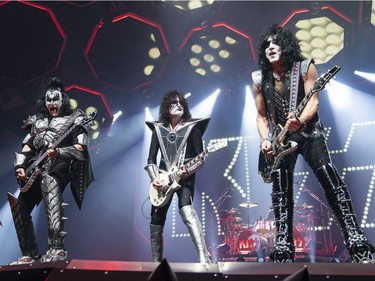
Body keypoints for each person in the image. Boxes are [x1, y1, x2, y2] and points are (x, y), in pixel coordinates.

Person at [252, 24, 375, 263]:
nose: (271, 48)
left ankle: (356, 241)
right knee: (281, 190)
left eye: (275, 43)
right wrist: (265, 140)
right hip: (281, 138)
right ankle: (284, 246)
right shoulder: (259, 79)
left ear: (285, 46)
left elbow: (313, 101)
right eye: (266, 45)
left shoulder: (304, 67)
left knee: (330, 178)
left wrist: (301, 120)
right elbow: (260, 116)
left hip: (309, 132)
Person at [8, 77, 94, 264]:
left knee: (50, 182)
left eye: (56, 99)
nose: (52, 103)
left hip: (60, 166)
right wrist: (20, 167)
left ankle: (57, 249)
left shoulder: (75, 120)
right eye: (49, 100)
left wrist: (59, 152)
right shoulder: (36, 123)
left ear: (63, 99)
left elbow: (80, 149)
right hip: (36, 169)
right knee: (18, 205)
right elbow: (26, 149)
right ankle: (29, 253)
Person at [144, 90, 211, 263]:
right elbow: (151, 160)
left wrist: (185, 171)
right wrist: (155, 178)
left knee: (187, 210)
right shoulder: (158, 129)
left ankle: (203, 258)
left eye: (181, 102)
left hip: (185, 178)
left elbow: (200, 160)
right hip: (162, 180)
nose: (178, 105)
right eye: (173, 103)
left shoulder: (193, 127)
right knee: (156, 219)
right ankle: (156, 263)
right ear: (166, 108)